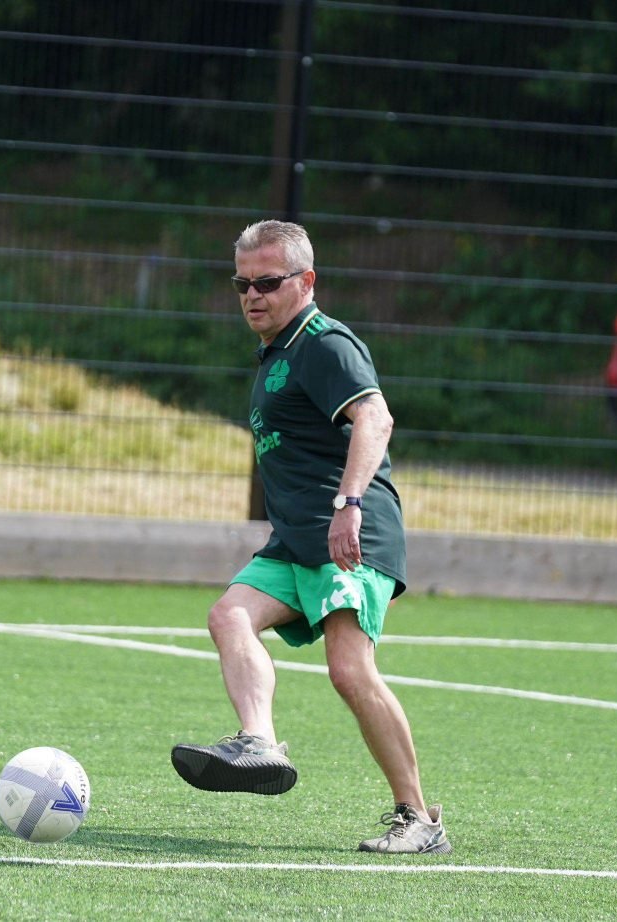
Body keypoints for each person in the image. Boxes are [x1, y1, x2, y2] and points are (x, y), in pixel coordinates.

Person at [170, 220, 451, 855]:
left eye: (268, 282)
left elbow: (375, 417)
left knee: (349, 671)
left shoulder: (325, 343)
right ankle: (259, 742)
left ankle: (419, 820)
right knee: (229, 616)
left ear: (307, 281)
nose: (252, 295)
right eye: (242, 284)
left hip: (349, 533)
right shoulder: (276, 353)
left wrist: (349, 504)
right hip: (297, 540)